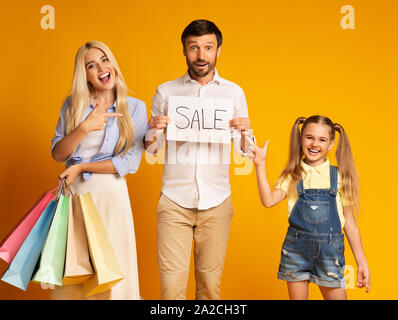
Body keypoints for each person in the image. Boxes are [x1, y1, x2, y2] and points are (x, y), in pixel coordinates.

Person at [144, 19, 253, 300]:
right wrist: (153, 128)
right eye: (194, 47)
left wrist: (244, 134)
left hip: (217, 202)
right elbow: (151, 151)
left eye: (208, 47)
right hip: (173, 202)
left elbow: (245, 154)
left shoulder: (234, 92)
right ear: (184, 50)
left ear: (218, 50)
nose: (201, 55)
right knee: (171, 291)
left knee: (209, 290)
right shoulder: (166, 92)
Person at [50, 41, 147, 300]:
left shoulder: (135, 107)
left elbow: (129, 163)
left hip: (111, 197)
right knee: (75, 267)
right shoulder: (72, 105)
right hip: (75, 197)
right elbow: (58, 153)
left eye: (105, 60)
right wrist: (84, 127)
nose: (101, 68)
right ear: (85, 75)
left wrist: (81, 166)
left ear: (113, 63)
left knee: (113, 268)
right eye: (91, 65)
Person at [250, 115, 371, 300]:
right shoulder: (293, 175)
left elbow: (350, 222)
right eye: (309, 137)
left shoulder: (339, 177)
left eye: (322, 140)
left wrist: (361, 262)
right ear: (300, 139)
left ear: (331, 144)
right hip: (296, 251)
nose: (315, 144)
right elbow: (268, 201)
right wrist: (259, 164)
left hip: (330, 253)